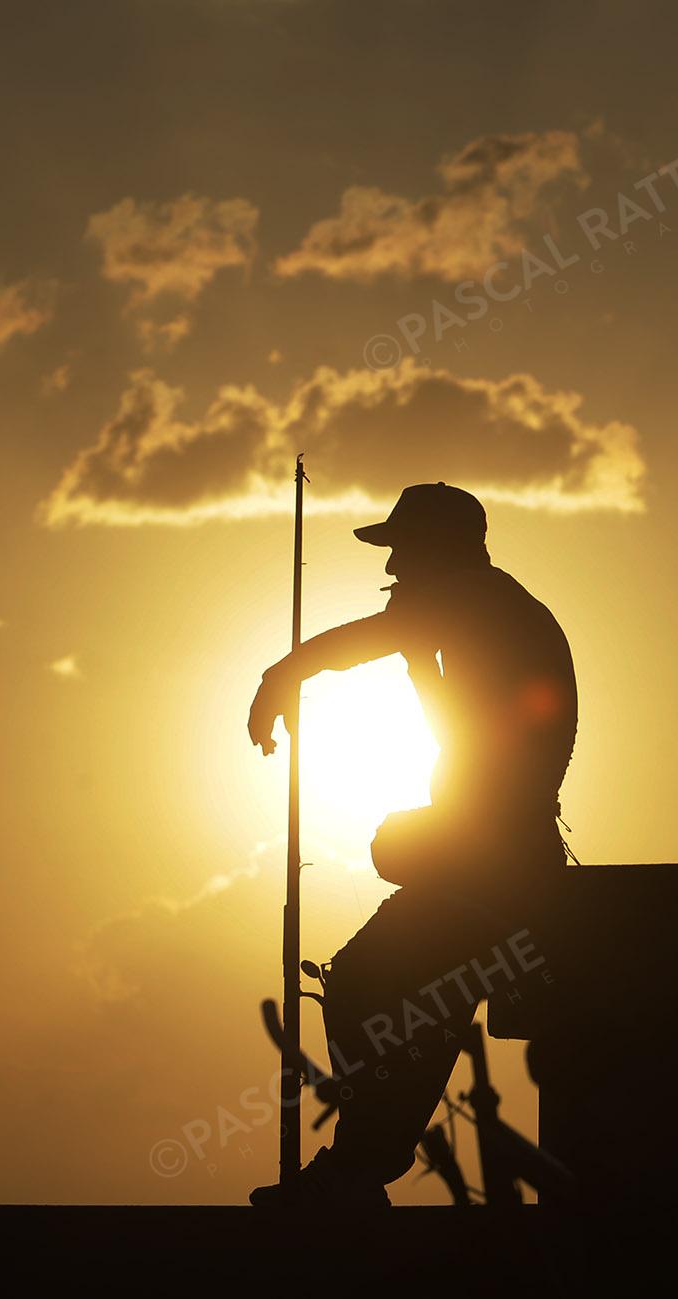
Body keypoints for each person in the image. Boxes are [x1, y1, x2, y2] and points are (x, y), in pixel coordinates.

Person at [243, 481, 577, 1206]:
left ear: (441, 551)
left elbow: (368, 638)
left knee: (370, 981)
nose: (393, 571)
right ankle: (361, 1165)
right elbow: (462, 730)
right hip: (492, 856)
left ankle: (359, 1169)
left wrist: (281, 673)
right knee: (406, 998)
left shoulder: (476, 601)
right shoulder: (486, 614)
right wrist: (420, 664)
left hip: (496, 865)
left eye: (403, 553)